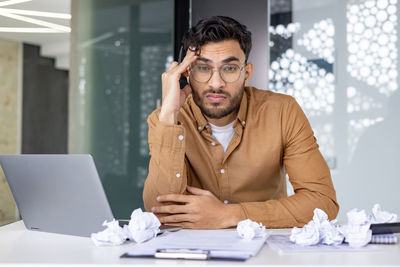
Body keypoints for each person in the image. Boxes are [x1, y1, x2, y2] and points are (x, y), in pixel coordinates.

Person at [143, 15, 339, 229]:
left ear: (246, 73)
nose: (216, 83)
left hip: (265, 252)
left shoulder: (283, 111)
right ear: (187, 72)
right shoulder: (165, 121)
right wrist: (170, 114)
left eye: (229, 68)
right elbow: (160, 212)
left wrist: (230, 214)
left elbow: (323, 203)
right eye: (203, 68)